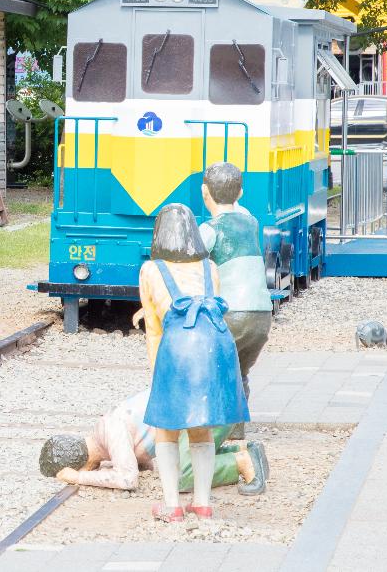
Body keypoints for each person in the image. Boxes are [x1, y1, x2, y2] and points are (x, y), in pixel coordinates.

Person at [138, 203, 249, 522]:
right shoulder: (209, 267)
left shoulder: (150, 270)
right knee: (201, 427)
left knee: (166, 429)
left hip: (177, 347)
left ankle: (171, 505)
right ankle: (202, 502)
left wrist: (157, 375)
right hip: (216, 347)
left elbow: (154, 330)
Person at [38, 387, 268, 495]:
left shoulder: (110, 428)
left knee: (181, 478)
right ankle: (244, 449)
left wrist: (79, 477)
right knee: (177, 460)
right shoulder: (104, 431)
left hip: (209, 412)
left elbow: (128, 479)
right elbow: (144, 462)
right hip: (212, 405)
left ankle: (241, 462)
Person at [199, 162, 272, 402]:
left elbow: (192, 264)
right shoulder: (251, 222)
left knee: (213, 371)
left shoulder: (209, 229)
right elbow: (238, 209)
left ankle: (214, 431)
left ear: (204, 192)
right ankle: (237, 436)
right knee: (240, 374)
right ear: (240, 193)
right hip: (261, 315)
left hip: (232, 313)